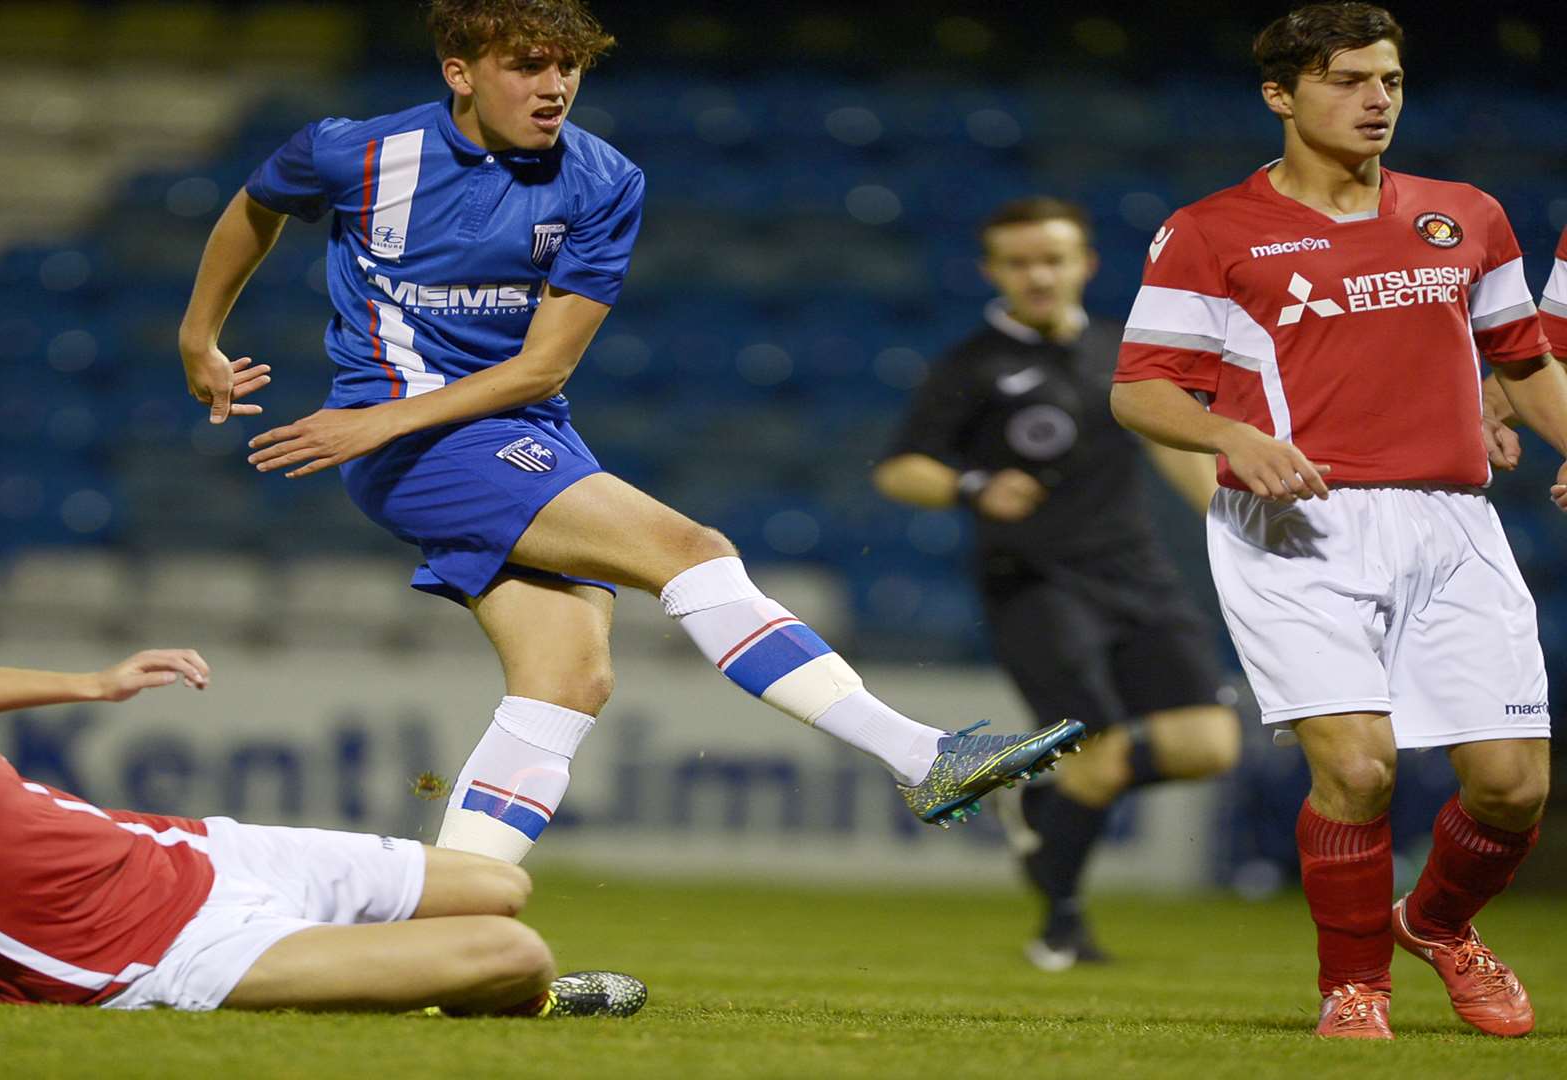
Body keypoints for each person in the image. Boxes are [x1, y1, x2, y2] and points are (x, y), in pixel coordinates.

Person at [175, 0, 1083, 864]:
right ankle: (922, 756)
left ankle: (446, 910)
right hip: (419, 445)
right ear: (460, 72)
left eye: (567, 66)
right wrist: (199, 335)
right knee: (689, 550)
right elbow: (255, 206)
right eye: (526, 65)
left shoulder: (603, 179)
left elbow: (543, 369)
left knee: (568, 680)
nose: (554, 85)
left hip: (510, 422)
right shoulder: (357, 152)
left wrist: (378, 420)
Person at [1109, 3, 1567, 1039]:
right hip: (1300, 526)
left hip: (1453, 523)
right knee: (1359, 768)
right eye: (1349, 80)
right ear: (1280, 93)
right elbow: (1139, 393)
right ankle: (1354, 987)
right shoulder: (1212, 231)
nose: (1376, 101)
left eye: (1392, 82)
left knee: (1510, 790)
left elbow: (1525, 363)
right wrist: (1230, 434)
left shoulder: (1467, 214)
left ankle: (1440, 923)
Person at [0, 565, 644, 1017]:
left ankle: (416, 976)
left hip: (189, 854)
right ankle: (495, 1004)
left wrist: (93, 682)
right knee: (515, 953)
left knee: (496, 886)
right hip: (160, 958)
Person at [872, 197, 1241, 971]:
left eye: (1053, 258)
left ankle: (1045, 796)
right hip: (1035, 581)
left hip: (1137, 574)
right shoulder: (969, 365)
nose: (1038, 275)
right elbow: (900, 470)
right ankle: (1061, 927)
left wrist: (1232, 521)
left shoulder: (1123, 352)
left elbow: (1176, 447)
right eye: (1019, 262)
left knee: (1209, 747)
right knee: (1099, 747)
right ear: (993, 272)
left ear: (1085, 263)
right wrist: (974, 488)